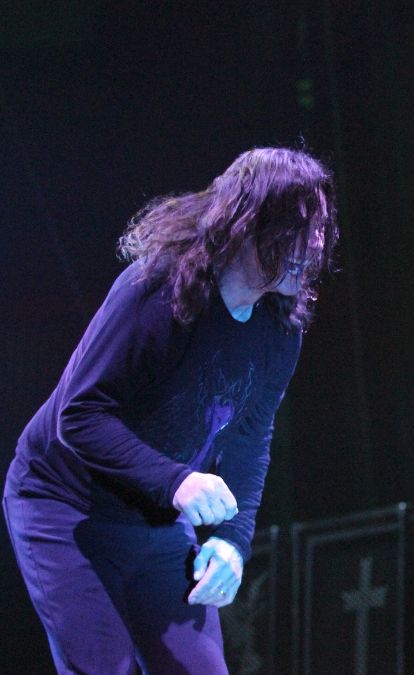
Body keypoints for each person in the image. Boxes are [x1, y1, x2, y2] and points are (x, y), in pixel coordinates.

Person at [4, 147, 338, 673]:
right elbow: (80, 414)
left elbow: (250, 436)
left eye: (319, 229)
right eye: (300, 227)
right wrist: (177, 481)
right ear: (247, 222)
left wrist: (231, 541)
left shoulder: (280, 327)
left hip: (158, 522)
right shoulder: (158, 289)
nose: (315, 244)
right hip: (66, 508)